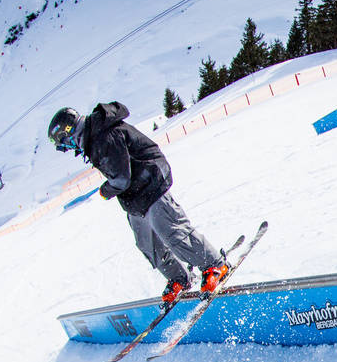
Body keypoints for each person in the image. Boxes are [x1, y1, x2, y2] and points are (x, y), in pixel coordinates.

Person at [47, 103, 230, 307]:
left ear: (69, 132)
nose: (67, 148)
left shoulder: (103, 135)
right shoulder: (94, 139)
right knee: (146, 242)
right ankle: (180, 278)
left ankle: (214, 265)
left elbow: (121, 178)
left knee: (171, 231)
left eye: (64, 143)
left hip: (150, 181)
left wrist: (105, 191)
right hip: (135, 194)